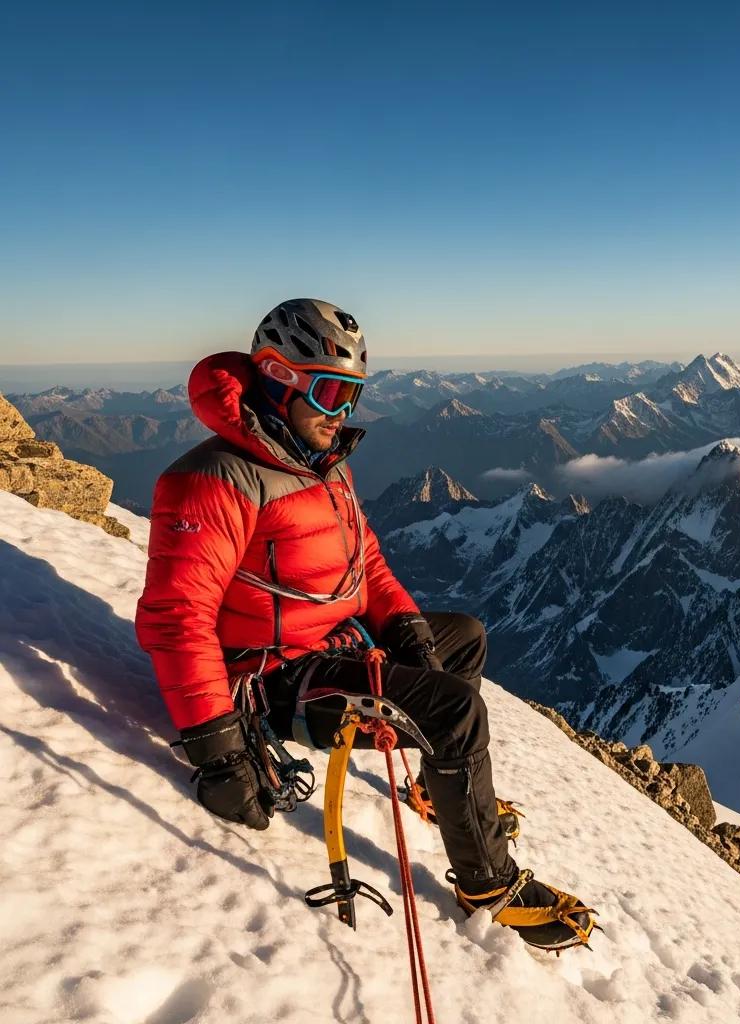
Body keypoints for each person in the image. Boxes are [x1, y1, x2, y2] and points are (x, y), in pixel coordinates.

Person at [135, 298, 594, 952]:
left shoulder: (321, 464)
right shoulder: (213, 479)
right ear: (277, 377)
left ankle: (440, 788)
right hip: (274, 681)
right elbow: (177, 618)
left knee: (462, 636)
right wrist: (220, 750)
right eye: (329, 392)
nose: (342, 413)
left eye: (352, 395)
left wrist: (407, 629)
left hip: (332, 645)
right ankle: (488, 886)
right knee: (455, 711)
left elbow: (366, 563)